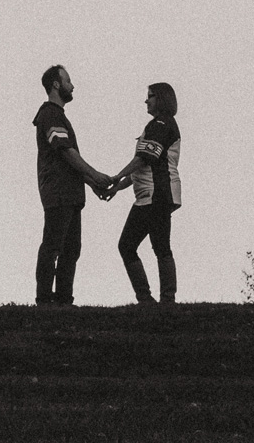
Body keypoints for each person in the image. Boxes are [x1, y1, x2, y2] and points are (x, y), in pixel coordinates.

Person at [33, 65, 113, 305]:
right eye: (68, 80)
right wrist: (95, 175)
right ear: (56, 84)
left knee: (71, 249)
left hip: (70, 193)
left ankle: (64, 300)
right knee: (53, 246)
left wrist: (91, 182)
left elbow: (68, 160)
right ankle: (45, 300)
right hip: (58, 192)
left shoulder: (57, 115)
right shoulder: (50, 114)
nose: (72, 85)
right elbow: (66, 151)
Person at [107, 82, 181, 304]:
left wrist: (116, 177)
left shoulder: (160, 124)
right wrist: (118, 187)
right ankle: (163, 300)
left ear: (161, 99)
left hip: (155, 194)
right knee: (159, 246)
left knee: (129, 245)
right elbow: (143, 167)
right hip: (156, 195)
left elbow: (144, 159)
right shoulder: (161, 124)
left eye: (150, 96)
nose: (146, 101)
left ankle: (151, 299)